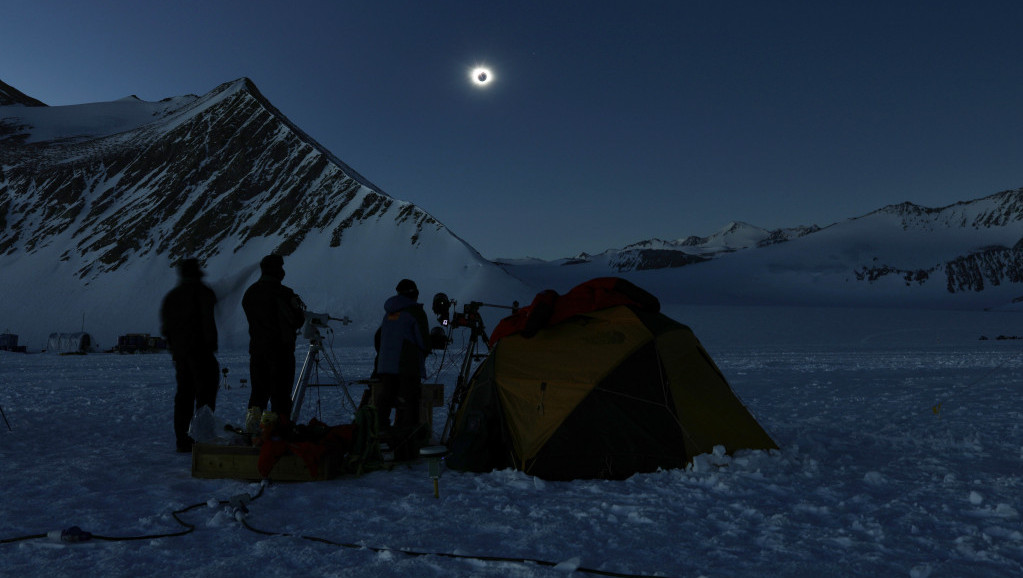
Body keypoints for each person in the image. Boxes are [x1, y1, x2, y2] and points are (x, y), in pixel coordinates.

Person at [159, 258, 219, 453]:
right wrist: (211, 344)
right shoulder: (202, 292)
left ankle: (183, 439)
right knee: (206, 395)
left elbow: (166, 329)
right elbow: (207, 322)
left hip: (181, 355)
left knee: (184, 396)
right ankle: (203, 437)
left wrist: (176, 349)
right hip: (201, 352)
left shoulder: (171, 297)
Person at [242, 254, 306, 433]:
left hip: (257, 351)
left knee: (258, 395)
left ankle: (253, 432)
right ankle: (278, 434)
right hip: (281, 352)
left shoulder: (250, 293)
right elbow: (297, 319)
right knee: (281, 397)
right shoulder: (284, 294)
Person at [374, 278, 430, 458]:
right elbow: (422, 339)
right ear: (414, 293)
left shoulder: (389, 313)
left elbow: (378, 337)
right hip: (406, 365)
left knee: (386, 397)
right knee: (408, 401)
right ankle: (405, 444)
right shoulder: (415, 312)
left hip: (385, 365)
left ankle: (378, 435)